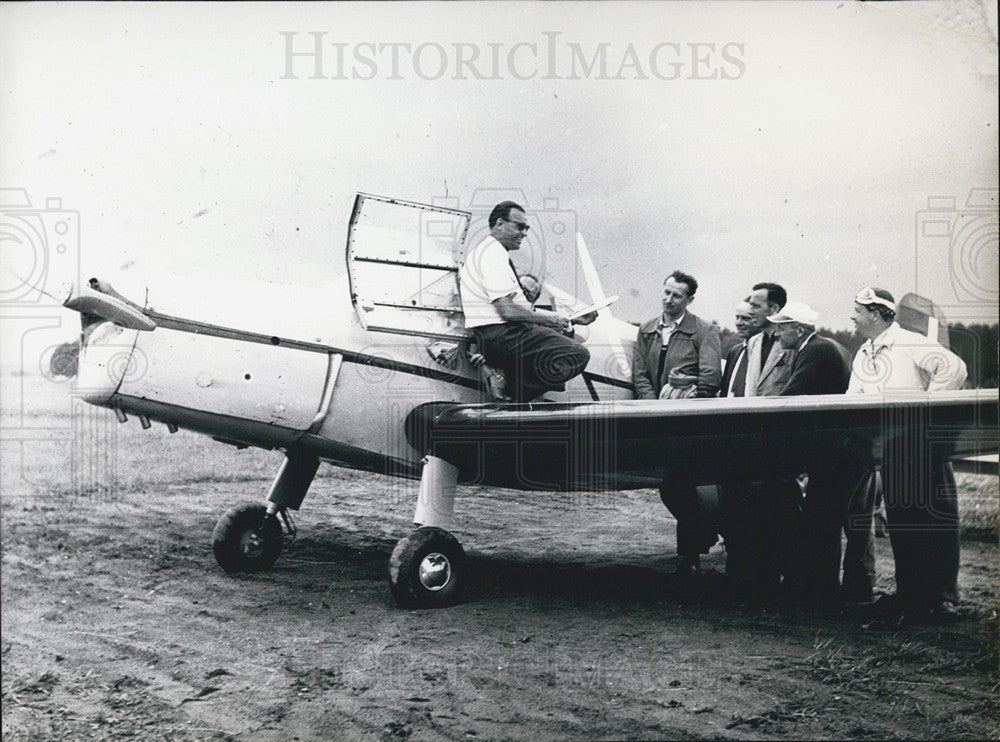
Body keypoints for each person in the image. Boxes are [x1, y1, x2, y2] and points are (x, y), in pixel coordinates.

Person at [848, 287, 968, 623]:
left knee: (937, 521)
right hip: (891, 450)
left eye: (857, 310)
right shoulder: (863, 353)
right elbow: (853, 398)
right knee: (903, 523)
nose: (852, 316)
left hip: (923, 447)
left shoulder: (909, 342)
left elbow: (953, 369)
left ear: (875, 313)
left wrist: (925, 414)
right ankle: (912, 598)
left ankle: (944, 599)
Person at [767, 301, 865, 604]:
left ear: (799, 329)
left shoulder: (814, 350)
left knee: (821, 519)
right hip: (843, 450)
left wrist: (758, 417)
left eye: (783, 327)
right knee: (824, 518)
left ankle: (821, 591)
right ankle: (825, 587)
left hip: (835, 453)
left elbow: (793, 394)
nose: (777, 332)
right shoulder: (827, 346)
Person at [633, 271, 722, 574]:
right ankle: (700, 540)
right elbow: (640, 374)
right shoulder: (646, 330)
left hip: (689, 421)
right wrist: (652, 407)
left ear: (689, 300)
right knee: (672, 486)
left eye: (677, 296)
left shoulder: (704, 330)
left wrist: (686, 391)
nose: (668, 300)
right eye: (666, 293)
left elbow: (711, 377)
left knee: (684, 485)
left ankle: (691, 556)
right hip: (658, 418)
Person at [458, 201, 590, 402]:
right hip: (503, 334)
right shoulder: (492, 254)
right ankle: (508, 387)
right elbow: (507, 310)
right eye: (519, 226)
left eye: (527, 228)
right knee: (576, 354)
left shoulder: (489, 252)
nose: (525, 233)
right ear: (500, 224)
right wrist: (551, 321)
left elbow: (512, 308)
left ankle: (506, 383)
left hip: (497, 334)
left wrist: (568, 318)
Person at [745, 283, 794, 397]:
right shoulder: (753, 343)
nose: (750, 311)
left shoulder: (791, 342)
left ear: (774, 309)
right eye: (750, 306)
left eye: (756, 306)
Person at [719, 300, 764, 397]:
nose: (739, 323)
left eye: (745, 318)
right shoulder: (734, 352)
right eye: (737, 317)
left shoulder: (766, 352)